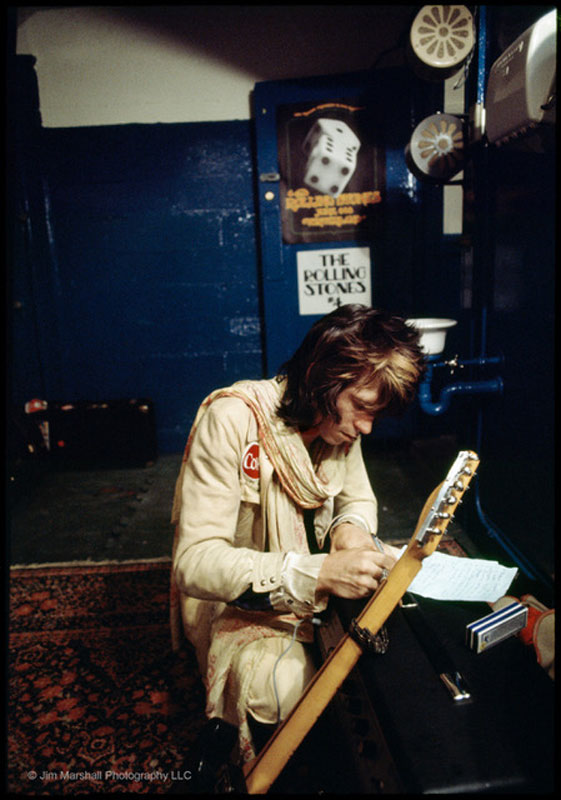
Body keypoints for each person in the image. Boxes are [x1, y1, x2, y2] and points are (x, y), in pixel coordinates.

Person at [170, 304, 425, 762]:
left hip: (323, 578)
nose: (366, 427)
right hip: (240, 602)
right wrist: (317, 572)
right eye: (363, 409)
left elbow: (358, 501)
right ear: (320, 378)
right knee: (279, 689)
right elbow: (195, 563)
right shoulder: (232, 419)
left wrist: (350, 530)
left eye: (377, 415)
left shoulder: (339, 423)